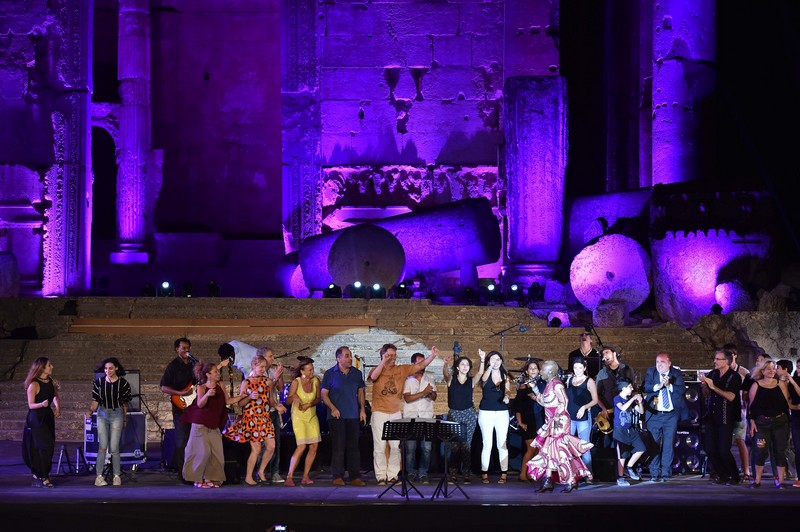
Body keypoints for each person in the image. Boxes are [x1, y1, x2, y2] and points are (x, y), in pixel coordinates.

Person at [368, 343, 440, 485]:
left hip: (395, 413)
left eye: (394, 355)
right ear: (383, 355)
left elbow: (419, 366)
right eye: (390, 355)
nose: (393, 357)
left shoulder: (401, 370)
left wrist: (432, 356)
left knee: (396, 446)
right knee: (380, 447)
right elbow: (374, 377)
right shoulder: (376, 369)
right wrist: (383, 361)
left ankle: (393, 475)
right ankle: (381, 476)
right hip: (379, 412)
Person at [526, 360, 593, 493]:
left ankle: (572, 481)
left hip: (559, 422)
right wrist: (534, 389)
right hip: (551, 422)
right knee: (549, 452)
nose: (541, 372)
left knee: (560, 452)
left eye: (543, 369)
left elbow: (564, 401)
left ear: (550, 371)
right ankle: (548, 481)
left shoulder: (556, 384)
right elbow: (545, 403)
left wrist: (556, 417)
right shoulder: (548, 384)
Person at [182, 361, 249, 488]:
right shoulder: (201, 387)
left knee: (217, 453)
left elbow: (227, 401)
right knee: (202, 453)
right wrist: (207, 394)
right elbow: (200, 404)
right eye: (215, 372)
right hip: (200, 423)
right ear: (208, 374)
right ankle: (197, 479)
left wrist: (241, 396)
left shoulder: (220, 385)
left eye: (218, 371)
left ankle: (211, 478)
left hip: (214, 424)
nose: (218, 374)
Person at [223, 354, 285, 486]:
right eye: (261, 366)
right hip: (252, 419)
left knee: (271, 446)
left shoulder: (267, 381)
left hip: (265, 418)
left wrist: (277, 406)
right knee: (256, 450)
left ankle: (261, 471)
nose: (263, 369)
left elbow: (271, 400)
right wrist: (250, 397)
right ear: (254, 366)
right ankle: (248, 477)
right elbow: (240, 404)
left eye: (264, 367)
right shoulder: (247, 382)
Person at [321, 346, 367, 486]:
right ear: (338, 358)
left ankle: (355, 476)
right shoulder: (330, 373)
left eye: (350, 355)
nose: (350, 358)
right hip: (336, 417)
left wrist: (362, 410)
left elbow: (360, 393)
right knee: (338, 447)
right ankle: (338, 476)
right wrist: (333, 408)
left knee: (354, 447)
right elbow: (324, 394)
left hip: (352, 414)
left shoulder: (356, 374)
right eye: (346, 356)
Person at [85, 357, 132, 487]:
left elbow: (125, 403)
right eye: (106, 368)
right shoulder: (99, 383)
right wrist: (90, 411)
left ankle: (117, 476)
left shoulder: (123, 384)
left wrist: (124, 419)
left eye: (110, 368)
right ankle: (99, 476)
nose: (108, 371)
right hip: (102, 413)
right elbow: (95, 401)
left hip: (117, 413)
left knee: (114, 447)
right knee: (102, 446)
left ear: (116, 368)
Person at [642, 351, 687, 482]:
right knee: (654, 445)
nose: (659, 365)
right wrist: (659, 386)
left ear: (669, 363)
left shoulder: (676, 373)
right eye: (657, 362)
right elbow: (646, 387)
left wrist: (669, 386)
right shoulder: (651, 372)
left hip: (670, 415)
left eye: (662, 362)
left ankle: (665, 473)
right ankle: (654, 473)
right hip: (654, 415)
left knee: (668, 445)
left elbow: (681, 389)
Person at [700, 348, 742, 485]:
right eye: (715, 358)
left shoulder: (734, 377)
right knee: (710, 448)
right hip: (711, 416)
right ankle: (722, 475)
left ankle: (735, 475)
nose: (715, 361)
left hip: (725, 417)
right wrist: (705, 386)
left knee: (724, 450)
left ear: (727, 361)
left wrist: (713, 387)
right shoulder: (713, 374)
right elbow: (706, 394)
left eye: (718, 359)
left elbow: (731, 396)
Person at [442, 349, 484, 484]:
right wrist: (445, 364)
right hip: (454, 413)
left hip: (468, 414)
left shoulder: (471, 381)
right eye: (462, 364)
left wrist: (482, 360)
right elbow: (446, 375)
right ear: (458, 367)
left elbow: (480, 373)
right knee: (455, 446)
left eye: (467, 365)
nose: (465, 367)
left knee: (466, 445)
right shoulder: (452, 380)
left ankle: (466, 473)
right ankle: (453, 473)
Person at [594, 344, 635, 476]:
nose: (605, 356)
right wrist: (603, 408)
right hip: (608, 414)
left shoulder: (627, 370)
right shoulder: (602, 373)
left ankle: (623, 471)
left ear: (614, 353)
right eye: (603, 355)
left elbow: (632, 390)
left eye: (607, 353)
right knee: (607, 443)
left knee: (623, 443)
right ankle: (609, 473)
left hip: (623, 414)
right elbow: (596, 394)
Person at [748, 359, 790, 488]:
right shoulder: (756, 385)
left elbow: (786, 403)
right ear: (762, 371)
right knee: (760, 451)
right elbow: (751, 406)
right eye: (768, 369)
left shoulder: (781, 384)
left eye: (774, 368)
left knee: (780, 451)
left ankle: (780, 481)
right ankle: (757, 481)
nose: (772, 371)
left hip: (780, 422)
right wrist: (752, 422)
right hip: (762, 423)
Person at [159, 337, 196, 477]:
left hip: (194, 407)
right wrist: (180, 393)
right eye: (183, 348)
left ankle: (195, 470)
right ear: (177, 349)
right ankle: (182, 472)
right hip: (180, 408)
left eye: (188, 348)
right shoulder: (173, 366)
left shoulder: (194, 364)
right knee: (182, 440)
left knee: (195, 439)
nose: (186, 351)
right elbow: (163, 387)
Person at [22, 357, 60, 488]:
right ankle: (42, 476)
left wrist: (57, 407)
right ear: (42, 368)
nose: (52, 367)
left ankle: (43, 474)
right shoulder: (34, 384)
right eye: (49, 365)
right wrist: (41, 404)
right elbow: (31, 405)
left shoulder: (51, 381)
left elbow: (55, 395)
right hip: (36, 418)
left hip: (47, 416)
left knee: (48, 446)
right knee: (40, 446)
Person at [284, 357, 321, 487]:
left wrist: (309, 404)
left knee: (314, 445)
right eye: (310, 370)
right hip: (299, 416)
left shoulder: (316, 381)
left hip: (311, 415)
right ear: (302, 371)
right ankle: (289, 476)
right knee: (302, 446)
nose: (312, 372)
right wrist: (294, 397)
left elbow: (318, 399)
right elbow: (287, 401)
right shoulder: (296, 382)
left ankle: (305, 476)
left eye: (312, 369)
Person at [402, 352, 437, 484]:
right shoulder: (407, 378)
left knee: (426, 448)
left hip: (426, 416)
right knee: (410, 447)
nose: (423, 365)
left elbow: (434, 397)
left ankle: (423, 472)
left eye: (424, 362)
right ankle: (411, 472)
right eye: (420, 362)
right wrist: (423, 392)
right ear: (413, 364)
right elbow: (407, 398)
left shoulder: (430, 377)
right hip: (411, 416)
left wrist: (430, 393)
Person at [478, 350, 512, 484]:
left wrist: (507, 396)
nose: (496, 362)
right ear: (488, 361)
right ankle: (484, 473)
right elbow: (484, 379)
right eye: (493, 359)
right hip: (486, 411)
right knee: (487, 444)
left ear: (501, 361)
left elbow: (508, 390)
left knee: (502, 444)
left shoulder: (505, 375)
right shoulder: (487, 372)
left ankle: (504, 473)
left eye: (498, 359)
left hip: (502, 412)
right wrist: (490, 366)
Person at [565, 356, 598, 479]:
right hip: (570, 417)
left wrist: (584, 407)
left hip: (583, 418)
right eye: (575, 367)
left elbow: (595, 400)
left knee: (584, 446)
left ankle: (589, 474)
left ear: (584, 368)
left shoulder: (589, 381)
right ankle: (571, 474)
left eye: (580, 367)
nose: (577, 370)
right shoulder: (569, 380)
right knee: (569, 447)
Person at [514, 358, 546, 481]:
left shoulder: (542, 384)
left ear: (539, 371)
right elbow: (517, 406)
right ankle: (523, 474)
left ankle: (531, 473)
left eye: (535, 368)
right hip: (528, 420)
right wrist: (520, 422)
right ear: (527, 371)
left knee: (538, 449)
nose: (533, 370)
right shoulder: (523, 386)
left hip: (540, 419)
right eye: (530, 368)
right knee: (531, 448)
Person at [724, 343, 752, 482]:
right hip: (724, 412)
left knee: (740, 440)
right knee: (724, 442)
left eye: (730, 355)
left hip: (740, 411)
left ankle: (746, 470)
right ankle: (726, 470)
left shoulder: (744, 372)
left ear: (735, 356)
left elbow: (748, 394)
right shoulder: (721, 370)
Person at [612, 380, 646, 486]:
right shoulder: (617, 398)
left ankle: (630, 467)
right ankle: (620, 478)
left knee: (641, 448)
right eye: (630, 387)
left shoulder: (629, 400)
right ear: (623, 388)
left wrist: (639, 401)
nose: (632, 389)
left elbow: (641, 412)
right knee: (622, 455)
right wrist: (633, 399)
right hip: (620, 430)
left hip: (631, 429)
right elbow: (622, 408)